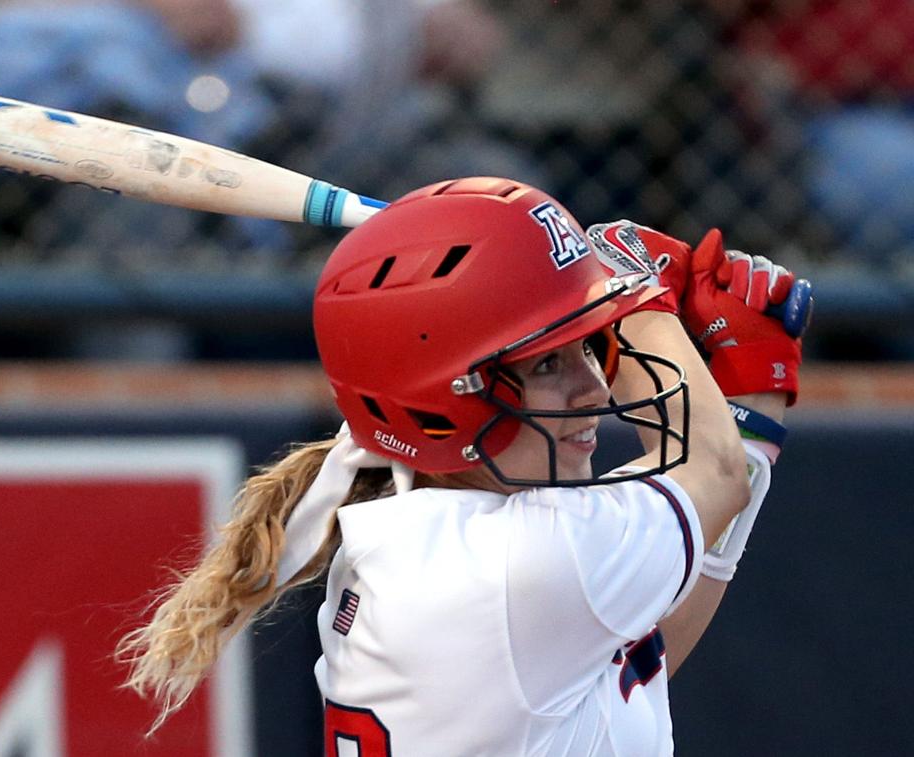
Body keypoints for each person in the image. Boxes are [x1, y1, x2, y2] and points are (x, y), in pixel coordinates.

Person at [116, 177, 805, 754]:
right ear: (445, 406)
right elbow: (713, 474)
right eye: (547, 363)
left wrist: (744, 408)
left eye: (586, 350)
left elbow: (624, 671)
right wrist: (634, 292)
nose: (594, 388)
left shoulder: (452, 535)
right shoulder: (517, 562)